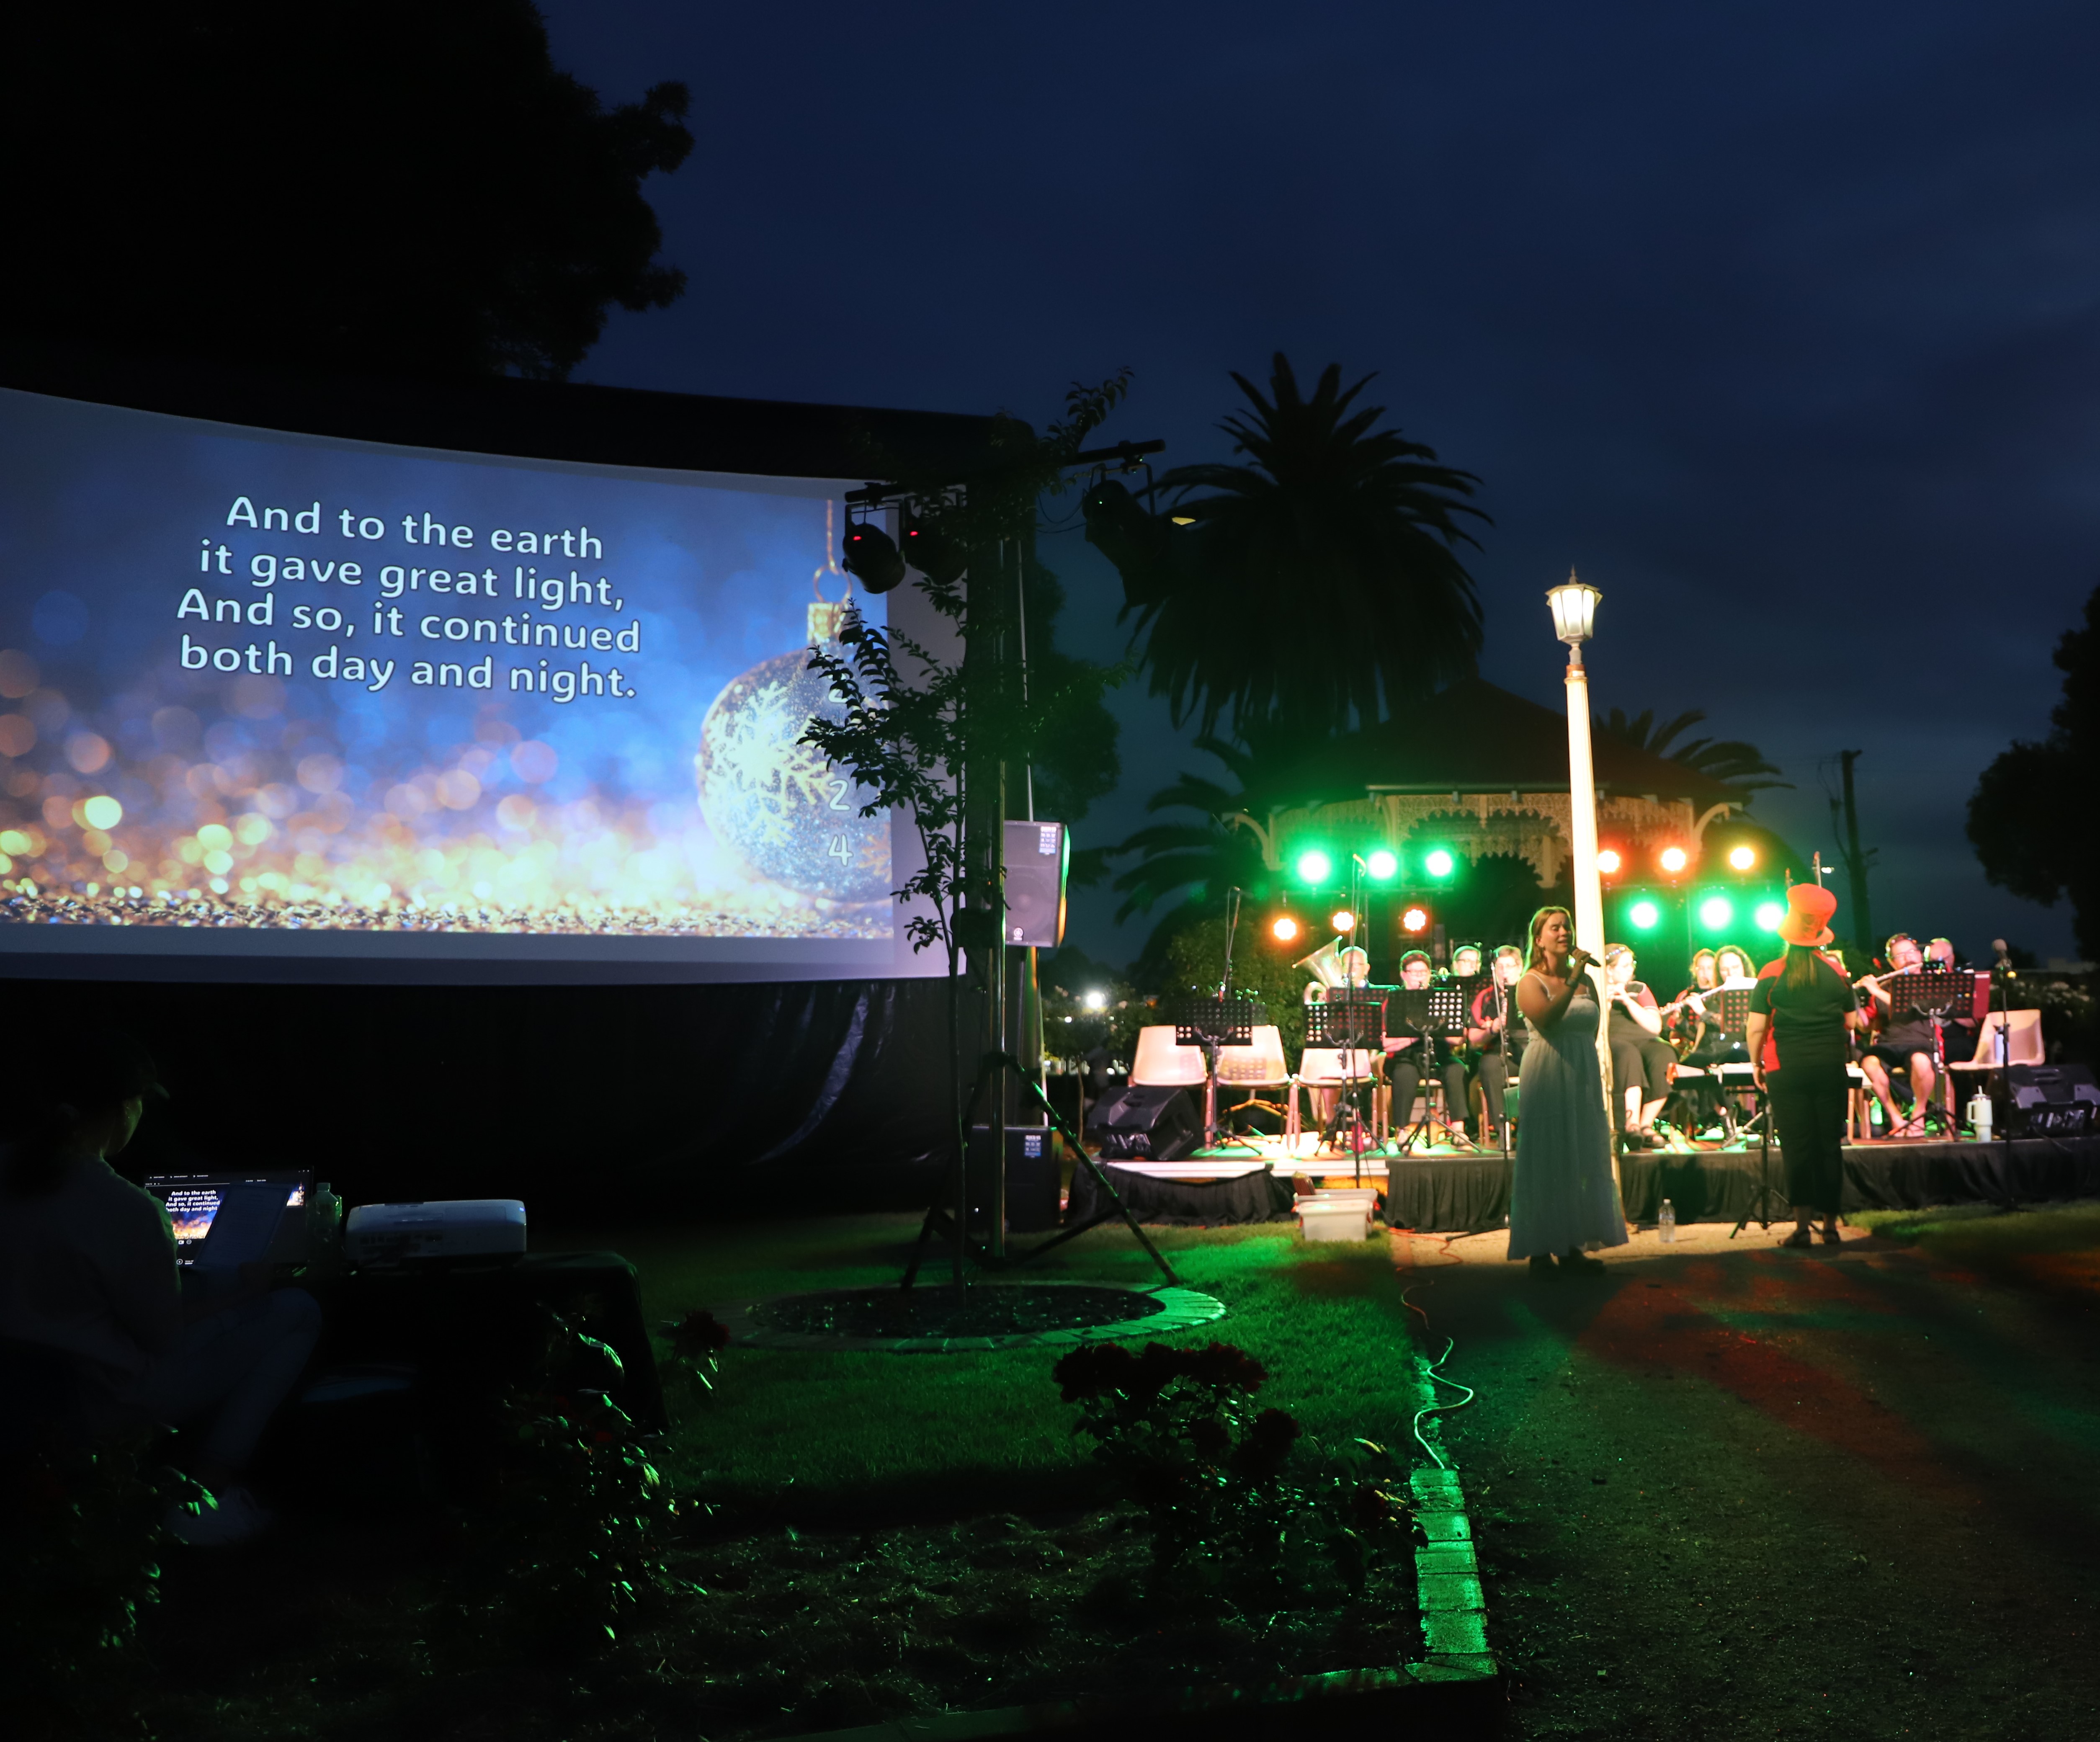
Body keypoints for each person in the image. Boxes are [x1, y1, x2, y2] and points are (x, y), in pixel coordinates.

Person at [0, 1032, 321, 1546]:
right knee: (297, 1309)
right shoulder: (128, 1209)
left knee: (219, 1293)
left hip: (21, 1394)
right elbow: (161, 1337)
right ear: (124, 1109)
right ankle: (205, 1494)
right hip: (101, 1402)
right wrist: (242, 1297)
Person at [1745, 884, 1868, 1246]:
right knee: (1829, 1146)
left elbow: (1755, 1028)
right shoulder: (1836, 972)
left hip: (1786, 1069)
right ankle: (1830, 1228)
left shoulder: (1771, 972)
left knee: (1797, 1148)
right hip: (1830, 1067)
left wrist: (1755, 1064)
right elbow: (1852, 1022)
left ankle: (1801, 1229)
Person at [1508, 907, 1627, 1273]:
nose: (1564, 933)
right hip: (1547, 1070)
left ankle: (1572, 1246)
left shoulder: (1587, 982)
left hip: (1581, 1070)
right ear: (1539, 939)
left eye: (1567, 927)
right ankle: (1540, 1250)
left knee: (1579, 1156)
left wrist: (1577, 978)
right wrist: (1575, 976)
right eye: (1555, 928)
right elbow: (1547, 1019)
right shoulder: (1530, 981)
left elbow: (1592, 1026)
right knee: (1548, 1158)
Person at [1858, 933, 1939, 1135]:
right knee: (1869, 1063)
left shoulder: (1930, 982)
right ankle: (1895, 1117)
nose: (1908, 958)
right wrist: (1852, 1002)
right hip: (1889, 1044)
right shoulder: (1885, 987)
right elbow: (1866, 1026)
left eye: (1911, 952)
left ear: (1920, 956)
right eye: (1900, 956)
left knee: (1921, 1062)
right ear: (1892, 963)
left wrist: (1876, 991)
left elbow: (1905, 1006)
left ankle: (1918, 1113)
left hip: (1919, 1042)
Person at [1387, 949, 1468, 1139]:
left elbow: (1459, 1039)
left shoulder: (1442, 1000)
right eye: (1415, 973)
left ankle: (1459, 1130)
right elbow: (1386, 1044)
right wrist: (1415, 1036)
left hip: (1438, 1054)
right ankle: (1402, 1130)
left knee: (1457, 1069)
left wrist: (1444, 1030)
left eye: (1424, 972)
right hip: (1406, 1057)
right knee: (1405, 1074)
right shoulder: (1394, 1001)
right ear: (1404, 975)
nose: (1420, 977)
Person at [1602, 943, 1676, 1147]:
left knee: (1664, 1053)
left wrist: (1628, 1001)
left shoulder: (1639, 989)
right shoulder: (1596, 988)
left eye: (1632, 964)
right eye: (1625, 966)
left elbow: (1655, 1027)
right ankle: (1631, 1124)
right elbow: (1596, 1026)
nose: (1631, 969)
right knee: (1629, 1054)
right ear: (1609, 970)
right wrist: (1607, 1001)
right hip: (1615, 1039)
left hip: (1644, 1039)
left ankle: (1646, 1125)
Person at [1466, 943, 1527, 1148]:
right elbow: (1473, 1039)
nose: (1504, 972)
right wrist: (1492, 1029)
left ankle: (1530, 1128)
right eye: (1500, 967)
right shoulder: (1486, 996)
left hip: (1527, 1052)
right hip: (1499, 1055)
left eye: (1509, 967)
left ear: (1520, 968)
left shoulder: (1530, 992)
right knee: (1489, 1066)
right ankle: (1503, 1130)